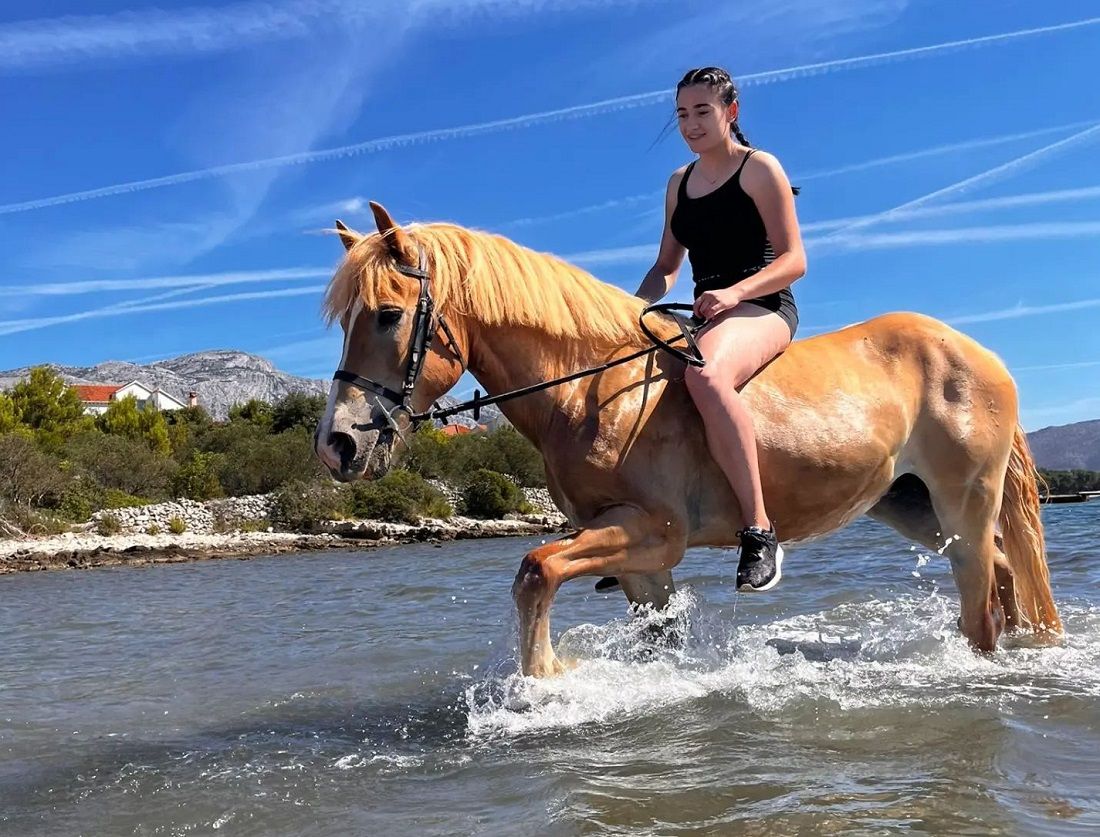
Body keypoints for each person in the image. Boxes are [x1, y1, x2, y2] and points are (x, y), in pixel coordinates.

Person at [635, 66, 806, 592]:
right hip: (705, 312)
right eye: (682, 114)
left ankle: (759, 529)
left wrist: (735, 293)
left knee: (705, 378)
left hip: (764, 306)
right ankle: (652, 533)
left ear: (731, 111)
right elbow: (667, 266)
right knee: (633, 380)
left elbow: (795, 260)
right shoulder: (677, 184)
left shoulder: (759, 169)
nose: (690, 123)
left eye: (702, 111)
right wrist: (627, 309)